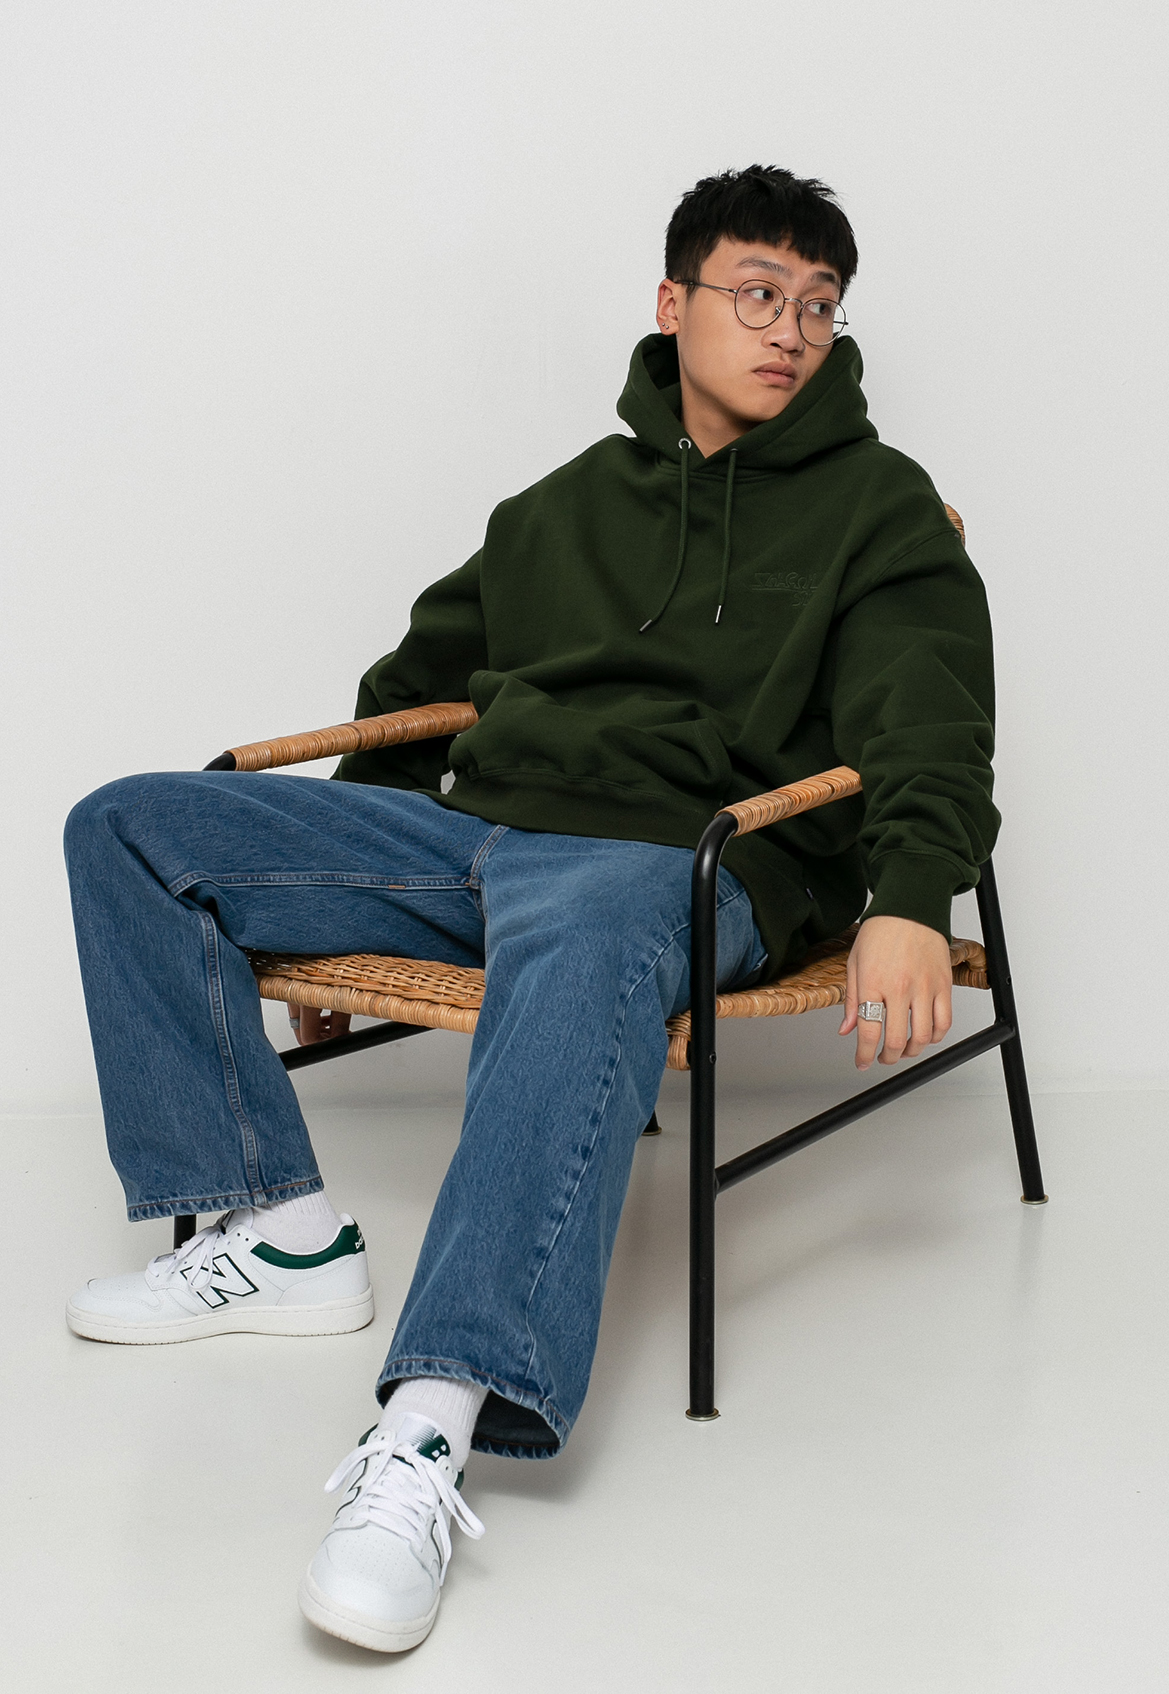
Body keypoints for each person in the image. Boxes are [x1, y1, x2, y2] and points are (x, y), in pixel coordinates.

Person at [62, 165, 1000, 1653]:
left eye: (819, 306)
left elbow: (930, 721)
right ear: (672, 304)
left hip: (679, 862)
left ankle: (430, 1426)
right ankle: (284, 1232)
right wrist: (341, 890)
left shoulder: (877, 509)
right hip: (481, 836)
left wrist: (905, 895)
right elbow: (412, 688)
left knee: (589, 929)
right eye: (758, 294)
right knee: (130, 824)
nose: (792, 330)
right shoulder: (561, 506)